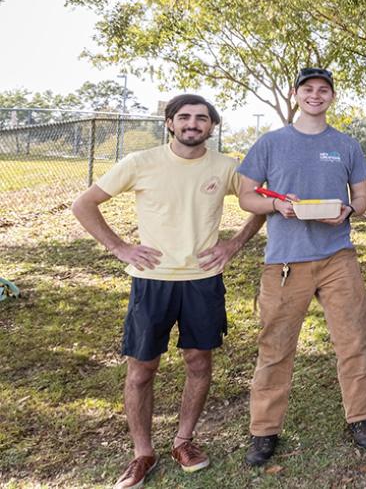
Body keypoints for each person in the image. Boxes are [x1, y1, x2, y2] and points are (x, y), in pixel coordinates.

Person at [71, 94, 265, 488]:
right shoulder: (141, 162)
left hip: (202, 282)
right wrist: (119, 247)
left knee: (199, 362)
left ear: (212, 126)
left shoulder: (227, 167)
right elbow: (84, 204)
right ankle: (142, 453)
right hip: (152, 282)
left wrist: (233, 244)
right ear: (170, 123)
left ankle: (184, 442)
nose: (193, 123)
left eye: (202, 118)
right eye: (185, 117)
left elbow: (259, 203)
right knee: (142, 370)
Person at [237, 68, 366, 466]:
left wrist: (349, 209)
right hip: (285, 261)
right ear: (295, 93)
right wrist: (277, 205)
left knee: (354, 342)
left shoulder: (345, 145)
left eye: (323, 90)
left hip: (338, 256)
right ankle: (264, 431)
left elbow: (362, 198)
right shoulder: (271, 143)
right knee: (275, 348)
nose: (316, 95)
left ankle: (361, 418)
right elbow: (246, 196)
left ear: (332, 97)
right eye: (308, 89)